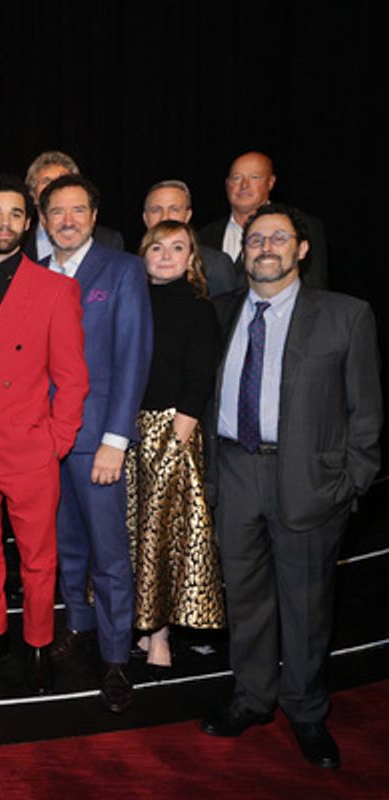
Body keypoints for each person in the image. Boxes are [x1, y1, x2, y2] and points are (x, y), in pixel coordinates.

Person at [201, 205, 380, 770]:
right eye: (256, 239)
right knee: (246, 600)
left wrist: (352, 482)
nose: (266, 247)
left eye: (279, 237)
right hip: (233, 471)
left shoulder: (346, 315)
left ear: (302, 249)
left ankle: (305, 711)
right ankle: (252, 698)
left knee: (305, 605)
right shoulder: (220, 312)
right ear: (243, 251)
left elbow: (366, 412)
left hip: (308, 479)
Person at [0, 177, 88, 694]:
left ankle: (36, 641)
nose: (3, 223)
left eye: (14, 215)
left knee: (36, 557)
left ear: (28, 225)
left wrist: (56, 440)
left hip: (29, 447)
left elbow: (73, 377)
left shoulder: (56, 289)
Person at [40, 174, 153, 714]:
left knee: (109, 556)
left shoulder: (123, 269)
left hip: (96, 440)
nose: (67, 220)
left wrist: (115, 439)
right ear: (44, 220)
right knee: (66, 547)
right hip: (45, 439)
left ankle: (115, 656)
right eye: (57, 212)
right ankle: (80, 628)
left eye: (77, 210)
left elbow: (133, 357)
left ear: (93, 215)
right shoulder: (34, 274)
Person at [127, 221, 225, 677]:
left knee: (162, 538)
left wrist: (172, 445)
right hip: (125, 434)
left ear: (192, 259)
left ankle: (161, 633)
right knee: (132, 536)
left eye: (178, 247)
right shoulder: (132, 303)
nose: (166, 255)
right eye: (157, 246)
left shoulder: (198, 310)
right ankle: (141, 624)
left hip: (173, 433)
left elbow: (198, 382)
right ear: (143, 253)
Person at [197, 151, 328, 288]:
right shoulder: (205, 235)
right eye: (237, 178)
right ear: (227, 183)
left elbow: (315, 288)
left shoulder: (303, 226)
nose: (244, 185)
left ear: (270, 182)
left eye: (254, 177)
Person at [141, 179, 241, 296]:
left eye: (174, 209)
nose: (165, 217)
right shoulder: (128, 265)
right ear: (145, 218)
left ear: (187, 216)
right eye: (156, 210)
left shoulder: (215, 264)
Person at [22, 151, 125, 261]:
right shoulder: (18, 241)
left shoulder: (107, 241)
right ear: (32, 194)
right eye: (47, 181)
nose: (56, 188)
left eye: (63, 180)